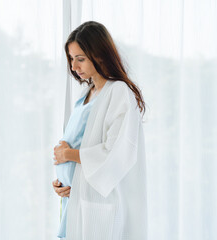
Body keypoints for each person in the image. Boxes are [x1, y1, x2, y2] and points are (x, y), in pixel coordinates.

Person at [52, 21, 147, 240]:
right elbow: (77, 143)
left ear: (100, 55)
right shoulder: (86, 95)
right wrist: (62, 182)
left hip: (98, 203)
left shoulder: (118, 93)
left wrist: (68, 155)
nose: (74, 67)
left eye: (80, 59)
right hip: (73, 200)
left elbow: (117, 152)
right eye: (71, 59)